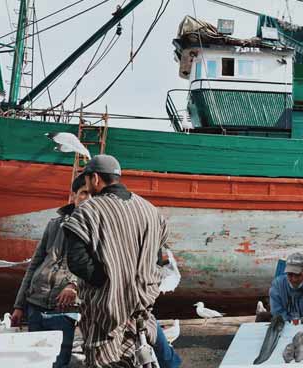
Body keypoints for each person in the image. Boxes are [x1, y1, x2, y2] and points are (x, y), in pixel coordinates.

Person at [62, 155, 180, 368]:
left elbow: (77, 261)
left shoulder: (89, 211)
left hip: (105, 312)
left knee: (104, 361)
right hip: (141, 306)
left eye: (87, 180)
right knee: (136, 358)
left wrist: (107, 282)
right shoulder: (150, 210)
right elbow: (157, 256)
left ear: (95, 178)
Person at [10, 174, 90, 368]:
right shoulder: (55, 225)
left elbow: (95, 267)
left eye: (91, 194)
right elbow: (35, 264)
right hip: (35, 304)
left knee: (58, 362)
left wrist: (73, 284)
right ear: (73, 196)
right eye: (83, 193)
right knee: (32, 361)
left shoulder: (97, 229)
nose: (87, 199)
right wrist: (19, 306)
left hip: (64, 311)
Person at [268, 252, 303, 321]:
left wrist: (300, 322)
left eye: (297, 275)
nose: (294, 279)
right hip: (284, 324)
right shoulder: (277, 285)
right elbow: (276, 312)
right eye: (290, 274)